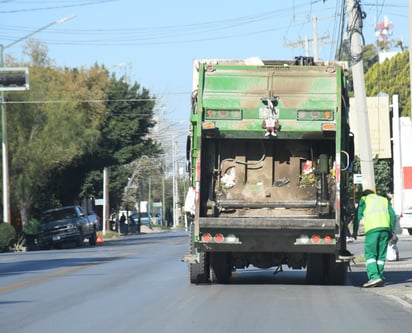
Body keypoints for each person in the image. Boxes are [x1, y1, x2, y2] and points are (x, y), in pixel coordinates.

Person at [353, 189, 396, 288]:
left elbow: (357, 216)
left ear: (364, 195)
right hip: (385, 230)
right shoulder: (383, 200)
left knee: (370, 255)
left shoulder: (364, 199)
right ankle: (380, 277)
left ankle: (374, 276)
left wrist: (355, 231)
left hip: (372, 230)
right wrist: (391, 230)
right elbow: (392, 215)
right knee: (381, 256)